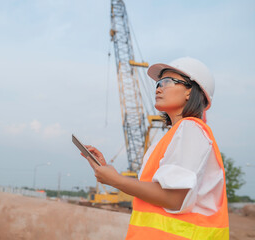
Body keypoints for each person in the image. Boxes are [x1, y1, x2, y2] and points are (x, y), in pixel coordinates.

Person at [81, 57, 229, 240]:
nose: (158, 88)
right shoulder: (175, 135)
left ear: (190, 92)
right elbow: (156, 192)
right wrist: (111, 174)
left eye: (167, 82)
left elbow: (174, 198)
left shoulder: (191, 129)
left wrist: (117, 181)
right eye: (158, 83)